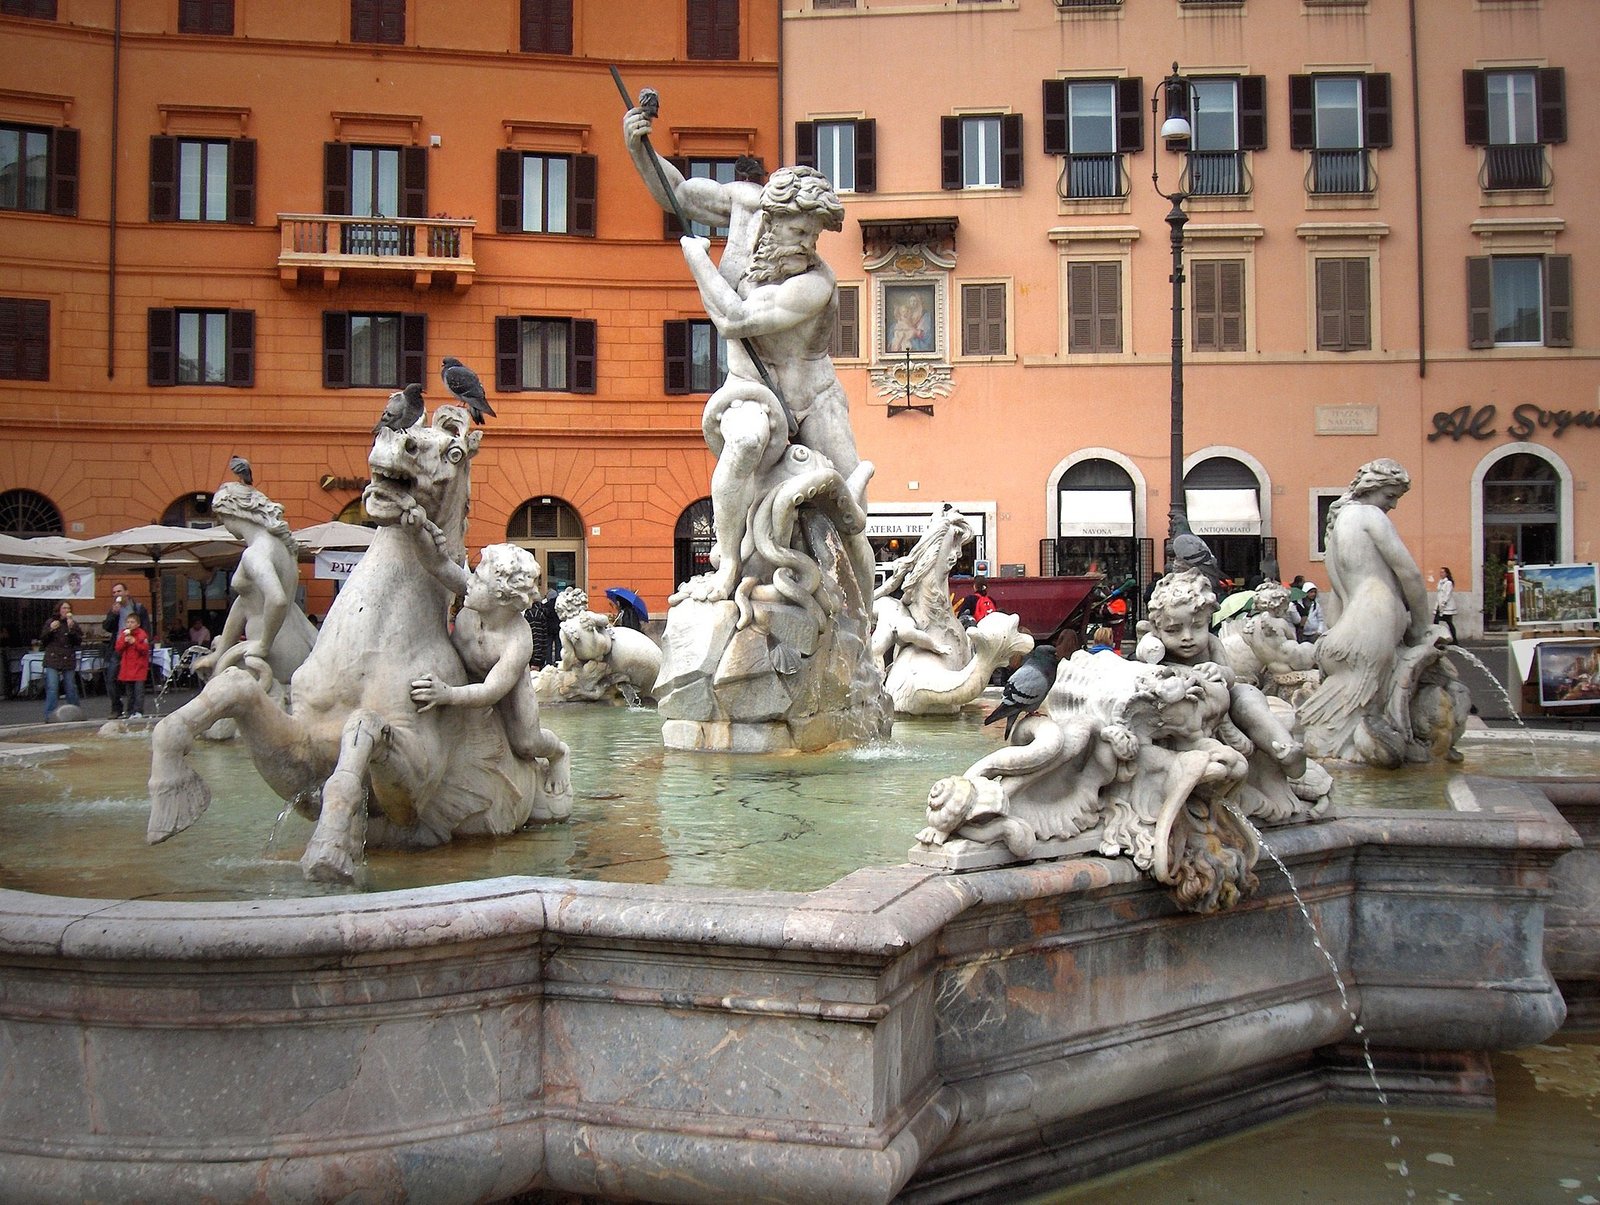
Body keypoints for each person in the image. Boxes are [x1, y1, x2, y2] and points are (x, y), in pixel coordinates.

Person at [624, 103, 874, 603]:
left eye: (815, 234)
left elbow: (734, 319)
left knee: (851, 515)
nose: (808, 244)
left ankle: (864, 617)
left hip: (813, 396)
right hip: (750, 388)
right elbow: (676, 191)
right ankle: (729, 563)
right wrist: (638, 145)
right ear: (773, 216)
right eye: (800, 230)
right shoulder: (742, 206)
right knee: (742, 445)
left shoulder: (815, 283)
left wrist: (698, 260)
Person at [405, 528, 569, 777]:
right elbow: (438, 566)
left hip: (508, 689)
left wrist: (447, 695)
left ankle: (559, 753)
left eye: (479, 580)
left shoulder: (516, 641)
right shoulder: (475, 596)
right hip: (464, 672)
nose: (469, 582)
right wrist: (424, 539)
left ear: (501, 598)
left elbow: (490, 691)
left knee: (527, 743)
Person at [197, 480, 318, 686]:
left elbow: (277, 599)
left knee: (221, 700)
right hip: (297, 644)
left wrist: (263, 644)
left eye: (221, 517)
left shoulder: (255, 553)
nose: (224, 525)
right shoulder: (282, 547)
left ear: (233, 513)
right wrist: (220, 653)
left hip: (271, 654)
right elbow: (245, 603)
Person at [102, 581, 151, 718]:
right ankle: (116, 707)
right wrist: (113, 614)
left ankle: (134, 710)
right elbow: (106, 627)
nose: (117, 594)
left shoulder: (137, 608)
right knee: (111, 678)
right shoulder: (115, 609)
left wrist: (143, 644)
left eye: (119, 591)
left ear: (126, 592)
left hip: (134, 649)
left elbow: (146, 629)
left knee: (133, 682)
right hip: (119, 648)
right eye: (114, 592)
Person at [39, 601, 82, 719]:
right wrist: (50, 630)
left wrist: (72, 629)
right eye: (64, 608)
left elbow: (78, 641)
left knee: (71, 687)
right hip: (53, 658)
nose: (66, 610)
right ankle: (49, 715)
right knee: (52, 687)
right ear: (59, 610)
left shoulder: (73, 624)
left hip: (68, 658)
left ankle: (76, 713)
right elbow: (43, 639)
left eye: (68, 608)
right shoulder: (51, 622)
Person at [114, 610, 151, 719]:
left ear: (138, 624)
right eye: (128, 622)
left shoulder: (142, 635)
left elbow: (144, 650)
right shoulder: (123, 634)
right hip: (127, 668)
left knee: (138, 692)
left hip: (139, 667)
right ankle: (129, 711)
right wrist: (125, 641)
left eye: (132, 622)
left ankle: (138, 711)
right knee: (129, 693)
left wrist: (134, 642)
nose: (129, 624)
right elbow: (118, 648)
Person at [1434, 567, 1458, 644]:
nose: (1441, 574)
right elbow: (1439, 594)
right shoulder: (1440, 582)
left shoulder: (1448, 583)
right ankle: (1435, 638)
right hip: (1439, 605)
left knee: (1448, 622)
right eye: (1440, 572)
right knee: (1436, 621)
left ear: (1446, 573)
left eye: (1443, 572)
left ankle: (1454, 639)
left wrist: (1444, 603)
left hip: (1446, 606)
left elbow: (1447, 594)